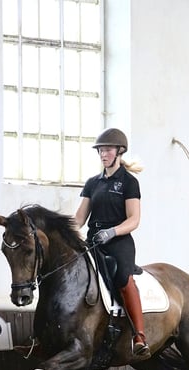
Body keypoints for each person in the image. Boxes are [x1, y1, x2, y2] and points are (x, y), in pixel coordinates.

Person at [74, 128, 150, 358]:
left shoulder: (129, 182)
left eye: (107, 150)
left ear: (119, 152)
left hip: (119, 242)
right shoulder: (92, 183)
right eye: (100, 150)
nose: (103, 154)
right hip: (94, 241)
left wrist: (112, 232)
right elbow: (79, 218)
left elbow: (134, 219)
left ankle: (139, 335)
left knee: (123, 279)